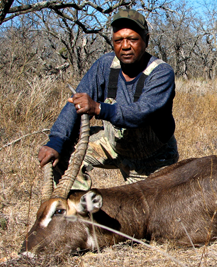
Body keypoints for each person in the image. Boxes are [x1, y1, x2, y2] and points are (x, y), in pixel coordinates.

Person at [38, 9, 179, 190]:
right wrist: (56, 141)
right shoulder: (105, 65)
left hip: (153, 159)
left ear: (146, 40)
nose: (125, 46)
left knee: (142, 214)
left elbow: (142, 112)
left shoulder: (161, 72)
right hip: (113, 145)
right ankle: (80, 209)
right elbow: (77, 102)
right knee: (62, 154)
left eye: (132, 39)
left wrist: (98, 108)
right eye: (118, 40)